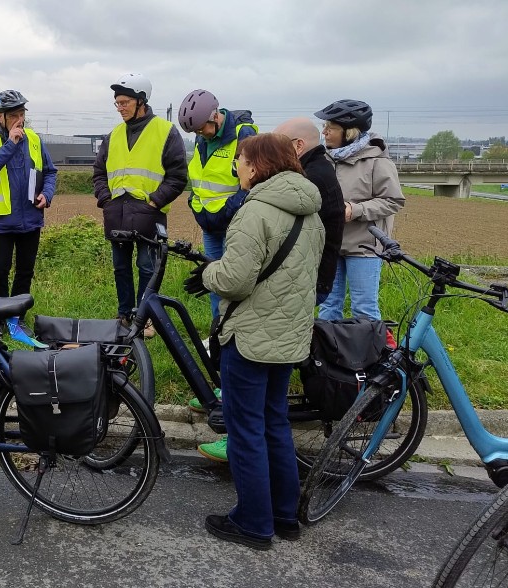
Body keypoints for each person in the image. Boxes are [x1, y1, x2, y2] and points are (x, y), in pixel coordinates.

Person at [183, 133, 325, 550]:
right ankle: (284, 516)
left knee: (245, 430)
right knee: (274, 423)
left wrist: (208, 273)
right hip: (288, 335)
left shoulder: (254, 211)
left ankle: (253, 523)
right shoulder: (310, 212)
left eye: (242, 160)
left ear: (259, 165)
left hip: (250, 337)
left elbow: (235, 280)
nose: (237, 167)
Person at [92, 73, 188, 339]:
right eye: (117, 103)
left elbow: (178, 176)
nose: (120, 108)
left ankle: (145, 318)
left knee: (147, 267)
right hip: (117, 213)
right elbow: (99, 172)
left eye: (124, 102)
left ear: (141, 101)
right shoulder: (113, 136)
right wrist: (105, 199)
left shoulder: (165, 132)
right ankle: (124, 314)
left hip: (148, 213)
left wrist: (155, 201)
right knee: (120, 267)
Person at [314, 99, 405, 321]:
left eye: (331, 128)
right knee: (327, 307)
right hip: (331, 244)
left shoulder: (377, 161)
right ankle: (329, 354)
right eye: (324, 127)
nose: (324, 132)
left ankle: (369, 355)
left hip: (364, 247)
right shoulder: (324, 159)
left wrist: (355, 210)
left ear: (350, 132)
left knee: (364, 309)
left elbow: (393, 200)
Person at [0, 90, 58, 332]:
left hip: (31, 219)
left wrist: (47, 194)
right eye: (14, 115)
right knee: (0, 270)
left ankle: (17, 318)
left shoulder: (34, 139)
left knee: (25, 271)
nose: (20, 120)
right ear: (0, 116)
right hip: (2, 221)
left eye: (22, 114)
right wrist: (10, 143)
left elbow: (50, 172)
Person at [177, 89, 258, 318]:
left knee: (233, 282)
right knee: (213, 280)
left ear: (215, 116)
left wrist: (230, 210)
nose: (200, 134)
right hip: (209, 224)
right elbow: (201, 176)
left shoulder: (244, 134)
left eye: (201, 128)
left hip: (233, 224)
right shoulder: (202, 137)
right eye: (195, 131)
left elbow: (251, 180)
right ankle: (216, 332)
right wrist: (194, 202)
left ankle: (233, 332)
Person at [274, 117, 345, 304]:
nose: (273, 151)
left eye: (278, 144)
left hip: (308, 280)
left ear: (298, 146)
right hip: (309, 275)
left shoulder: (311, 177)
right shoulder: (311, 168)